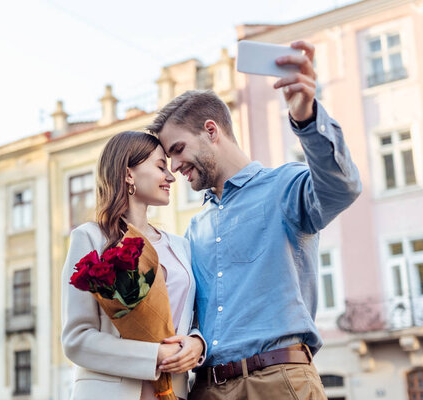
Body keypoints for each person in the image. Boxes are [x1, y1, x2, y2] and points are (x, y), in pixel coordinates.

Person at [148, 41, 361, 399]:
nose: (174, 167)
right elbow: (197, 317)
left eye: (178, 150)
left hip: (278, 381)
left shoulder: (283, 186)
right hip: (209, 387)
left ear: (211, 131)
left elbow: (342, 189)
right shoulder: (196, 228)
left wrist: (306, 120)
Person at [61, 131, 206, 400]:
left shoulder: (181, 247)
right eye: (161, 166)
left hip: (176, 393)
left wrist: (197, 343)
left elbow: (195, 319)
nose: (171, 176)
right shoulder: (91, 238)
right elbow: (76, 339)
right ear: (129, 174)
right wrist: (154, 355)